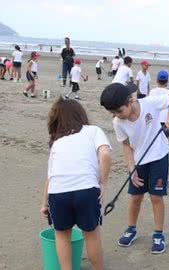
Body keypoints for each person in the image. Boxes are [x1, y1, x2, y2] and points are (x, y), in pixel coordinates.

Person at [100, 83, 169, 254]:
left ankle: (158, 234)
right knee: (135, 197)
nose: (116, 115)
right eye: (112, 112)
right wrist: (131, 169)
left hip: (158, 156)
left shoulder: (150, 103)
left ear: (130, 100)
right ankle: (131, 229)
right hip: (138, 161)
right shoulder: (118, 122)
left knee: (156, 197)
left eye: (118, 111)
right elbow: (126, 146)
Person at [41, 97, 112, 270]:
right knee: (92, 234)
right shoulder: (93, 131)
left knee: (62, 235)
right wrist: (103, 183)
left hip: (58, 193)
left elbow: (51, 177)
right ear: (80, 115)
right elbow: (105, 155)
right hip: (86, 189)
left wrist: (44, 204)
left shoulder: (57, 142)